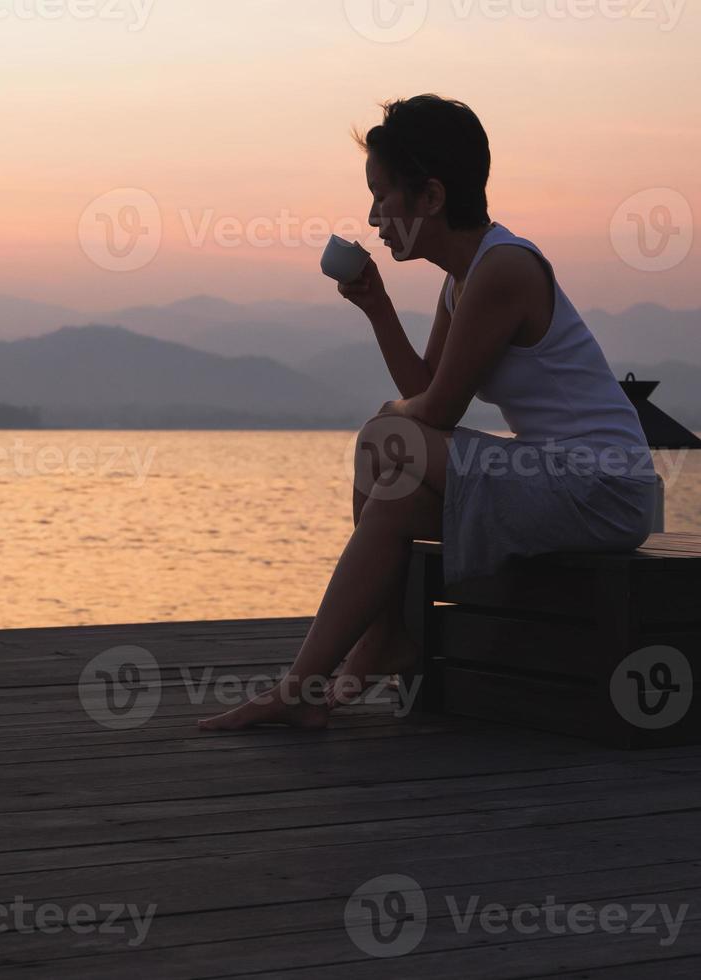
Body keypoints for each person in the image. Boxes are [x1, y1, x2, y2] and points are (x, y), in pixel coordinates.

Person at [198, 94, 657, 731]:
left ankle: (354, 656)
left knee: (386, 437)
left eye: (383, 195)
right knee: (393, 495)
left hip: (601, 485)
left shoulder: (505, 269)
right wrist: (379, 309)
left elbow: (435, 406)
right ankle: (324, 675)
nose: (372, 215)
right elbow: (430, 391)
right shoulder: (464, 277)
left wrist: (392, 414)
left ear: (432, 197)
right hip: (558, 474)